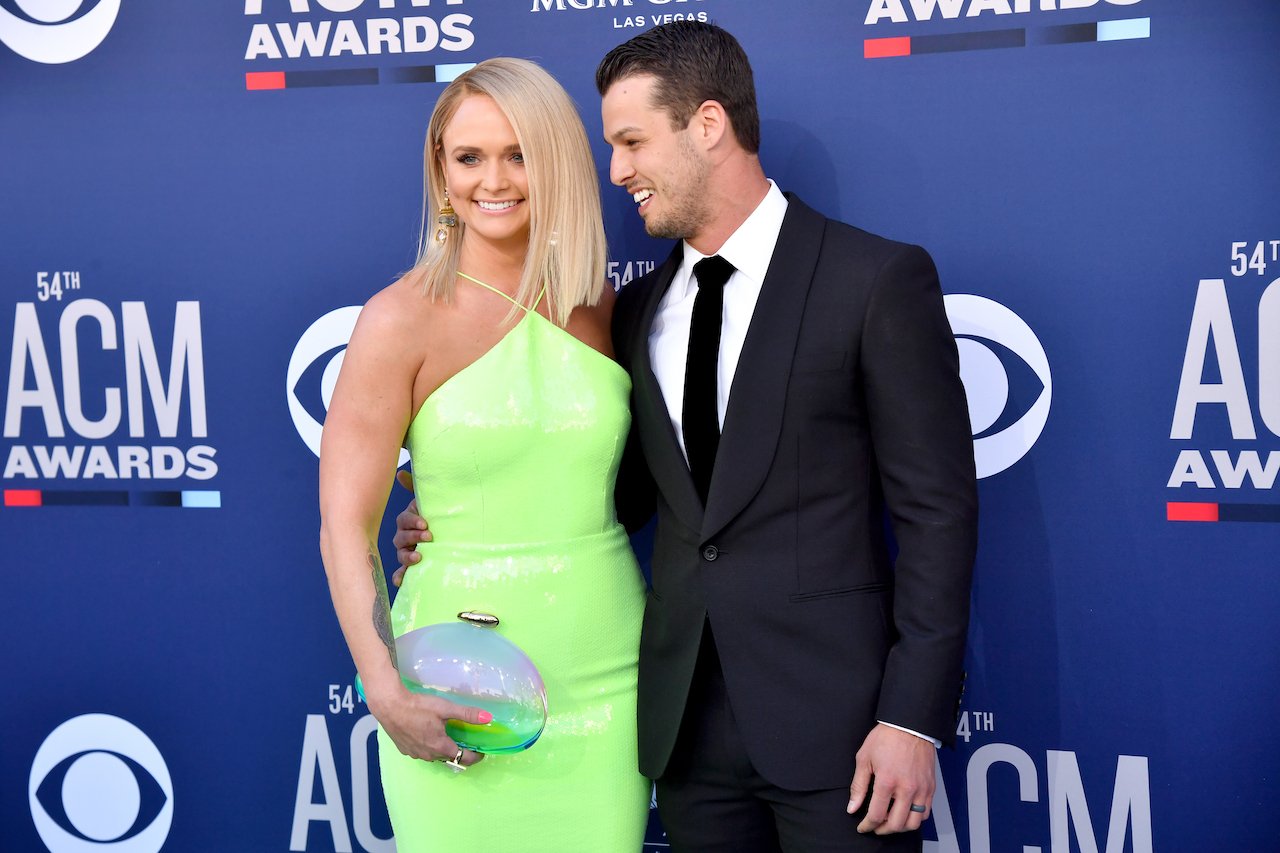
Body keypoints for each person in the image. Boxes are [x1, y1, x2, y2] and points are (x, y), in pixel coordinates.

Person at [397, 22, 978, 852]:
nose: (617, 170)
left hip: (843, 737)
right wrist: (449, 518)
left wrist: (911, 719)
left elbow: (938, 516)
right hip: (684, 738)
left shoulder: (873, 280)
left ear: (709, 125)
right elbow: (617, 491)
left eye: (632, 141)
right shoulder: (633, 313)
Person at [318, 58, 649, 852]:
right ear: (441, 171)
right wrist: (385, 691)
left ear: (558, 161)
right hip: (452, 683)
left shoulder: (601, 307)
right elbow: (344, 527)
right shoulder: (397, 320)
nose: (493, 180)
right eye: (469, 157)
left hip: (608, 676)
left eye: (519, 154)